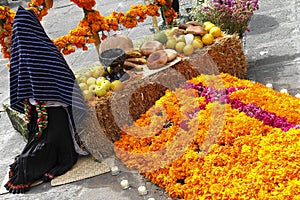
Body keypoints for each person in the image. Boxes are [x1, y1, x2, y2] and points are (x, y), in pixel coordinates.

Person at [5, 6, 89, 194]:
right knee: (56, 150)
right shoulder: (40, 46)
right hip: (50, 110)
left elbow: (22, 82)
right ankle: (29, 165)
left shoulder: (25, 49)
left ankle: (29, 163)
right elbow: (63, 76)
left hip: (46, 110)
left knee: (46, 144)